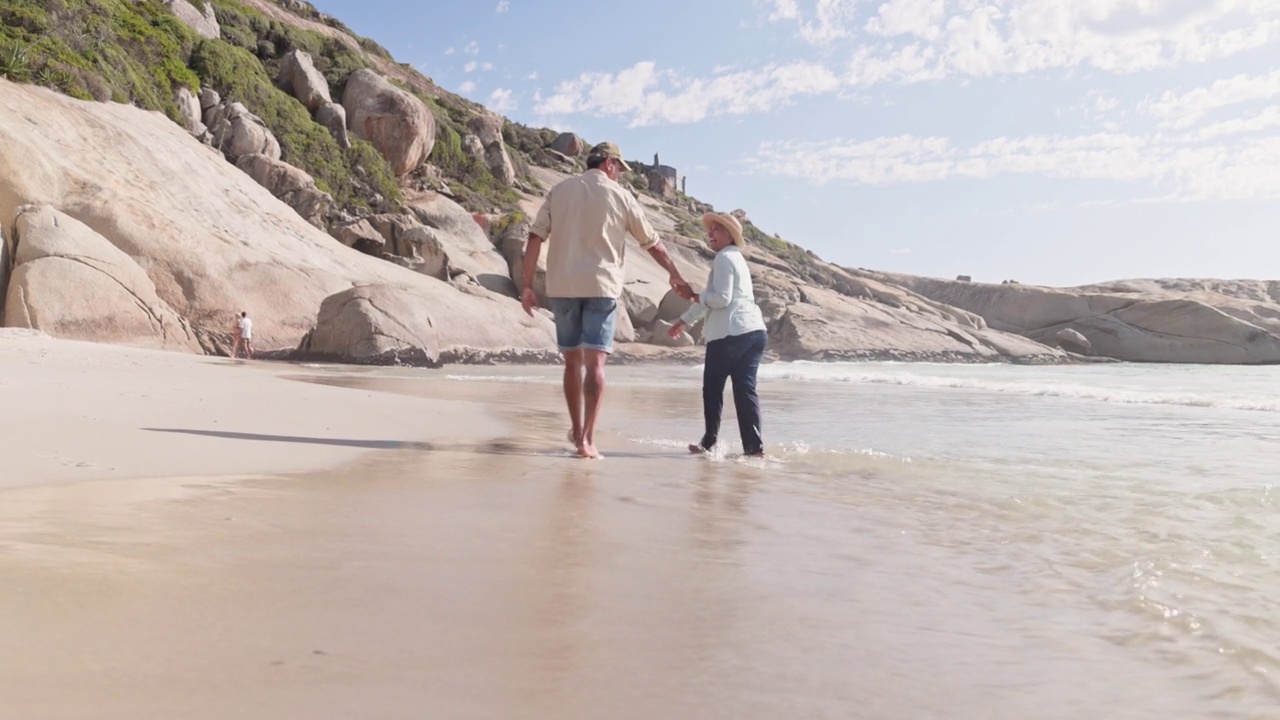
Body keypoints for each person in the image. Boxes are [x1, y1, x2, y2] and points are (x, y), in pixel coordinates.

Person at [522, 141, 692, 459]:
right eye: (620, 170)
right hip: (601, 288)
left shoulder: (559, 191)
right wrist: (674, 273)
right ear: (609, 164)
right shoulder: (621, 196)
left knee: (572, 362)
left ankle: (577, 432)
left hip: (563, 288)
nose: (620, 177)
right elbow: (652, 243)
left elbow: (535, 236)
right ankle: (587, 439)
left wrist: (527, 285)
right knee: (596, 363)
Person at [668, 213, 768, 457]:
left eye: (716, 230)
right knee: (745, 389)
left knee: (712, 389)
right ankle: (754, 448)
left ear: (729, 235)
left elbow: (720, 299)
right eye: (709, 230)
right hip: (753, 331)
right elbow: (711, 298)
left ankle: (709, 442)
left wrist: (693, 297)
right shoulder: (736, 259)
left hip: (730, 334)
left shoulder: (723, 259)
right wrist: (685, 319)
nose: (709, 234)